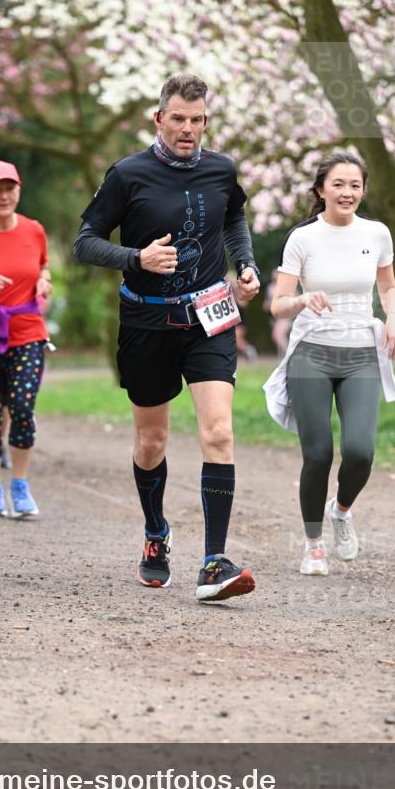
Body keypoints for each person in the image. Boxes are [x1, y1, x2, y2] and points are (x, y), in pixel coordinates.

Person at [74, 73, 260, 603]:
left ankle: (214, 561)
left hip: (208, 316)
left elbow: (234, 216)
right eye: (178, 118)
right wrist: (137, 259)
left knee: (219, 433)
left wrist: (243, 264)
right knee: (151, 442)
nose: (188, 129)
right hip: (147, 321)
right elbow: (84, 243)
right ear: (159, 118)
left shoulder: (221, 169)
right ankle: (156, 533)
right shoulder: (128, 174)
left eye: (197, 120)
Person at [263, 152, 395, 576]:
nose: (347, 193)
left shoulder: (377, 233)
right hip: (312, 353)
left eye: (355, 185)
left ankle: (341, 511)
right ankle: (312, 545)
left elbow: (388, 287)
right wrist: (303, 299)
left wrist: (394, 321)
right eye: (339, 184)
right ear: (321, 189)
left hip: (361, 353)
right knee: (319, 454)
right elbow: (277, 306)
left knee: (361, 452)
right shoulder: (303, 238)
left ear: (363, 189)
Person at [0, 160, 52, 518]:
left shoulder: (35, 230)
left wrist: (44, 281)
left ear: (19, 190)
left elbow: (43, 266)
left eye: (9, 188)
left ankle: (19, 484)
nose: (3, 196)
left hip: (27, 333)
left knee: (22, 408)